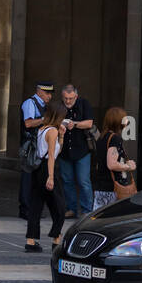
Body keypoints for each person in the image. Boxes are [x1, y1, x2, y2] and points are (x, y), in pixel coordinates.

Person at [25, 98, 67, 251]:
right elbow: (52, 156)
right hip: (48, 169)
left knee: (36, 205)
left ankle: (31, 240)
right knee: (60, 206)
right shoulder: (53, 131)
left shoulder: (42, 129)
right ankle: (57, 238)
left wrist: (62, 136)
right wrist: (50, 177)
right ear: (58, 115)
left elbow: (56, 151)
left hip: (38, 169)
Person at [59, 83, 95, 219]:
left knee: (83, 181)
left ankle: (87, 210)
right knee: (67, 180)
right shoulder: (59, 107)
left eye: (71, 98)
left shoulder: (84, 104)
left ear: (76, 96)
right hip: (64, 151)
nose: (68, 101)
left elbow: (89, 123)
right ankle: (71, 208)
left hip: (82, 149)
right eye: (65, 98)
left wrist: (75, 124)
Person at [18, 80, 53, 220]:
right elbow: (28, 123)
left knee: (37, 179)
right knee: (27, 178)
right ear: (39, 91)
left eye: (50, 93)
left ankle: (34, 209)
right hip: (30, 146)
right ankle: (25, 209)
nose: (49, 96)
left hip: (39, 146)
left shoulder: (44, 105)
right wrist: (45, 120)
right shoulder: (30, 103)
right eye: (47, 93)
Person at [91, 106, 136, 210]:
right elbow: (112, 164)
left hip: (101, 185)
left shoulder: (102, 137)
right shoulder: (115, 138)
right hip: (112, 187)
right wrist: (128, 166)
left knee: (100, 217)